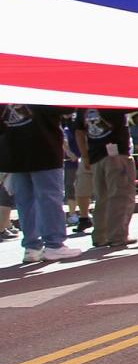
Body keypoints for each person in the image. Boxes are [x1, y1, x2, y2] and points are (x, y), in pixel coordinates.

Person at [1, 103, 78, 262]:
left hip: (15, 155)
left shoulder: (6, 95)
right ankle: (54, 245)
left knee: (25, 202)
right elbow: (68, 108)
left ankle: (32, 247)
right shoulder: (41, 92)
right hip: (44, 151)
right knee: (49, 199)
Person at [74, 106, 135, 250]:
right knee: (120, 196)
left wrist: (85, 155)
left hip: (96, 156)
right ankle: (118, 236)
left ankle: (100, 236)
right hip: (116, 154)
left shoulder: (83, 107)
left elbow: (79, 132)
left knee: (102, 198)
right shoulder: (114, 102)